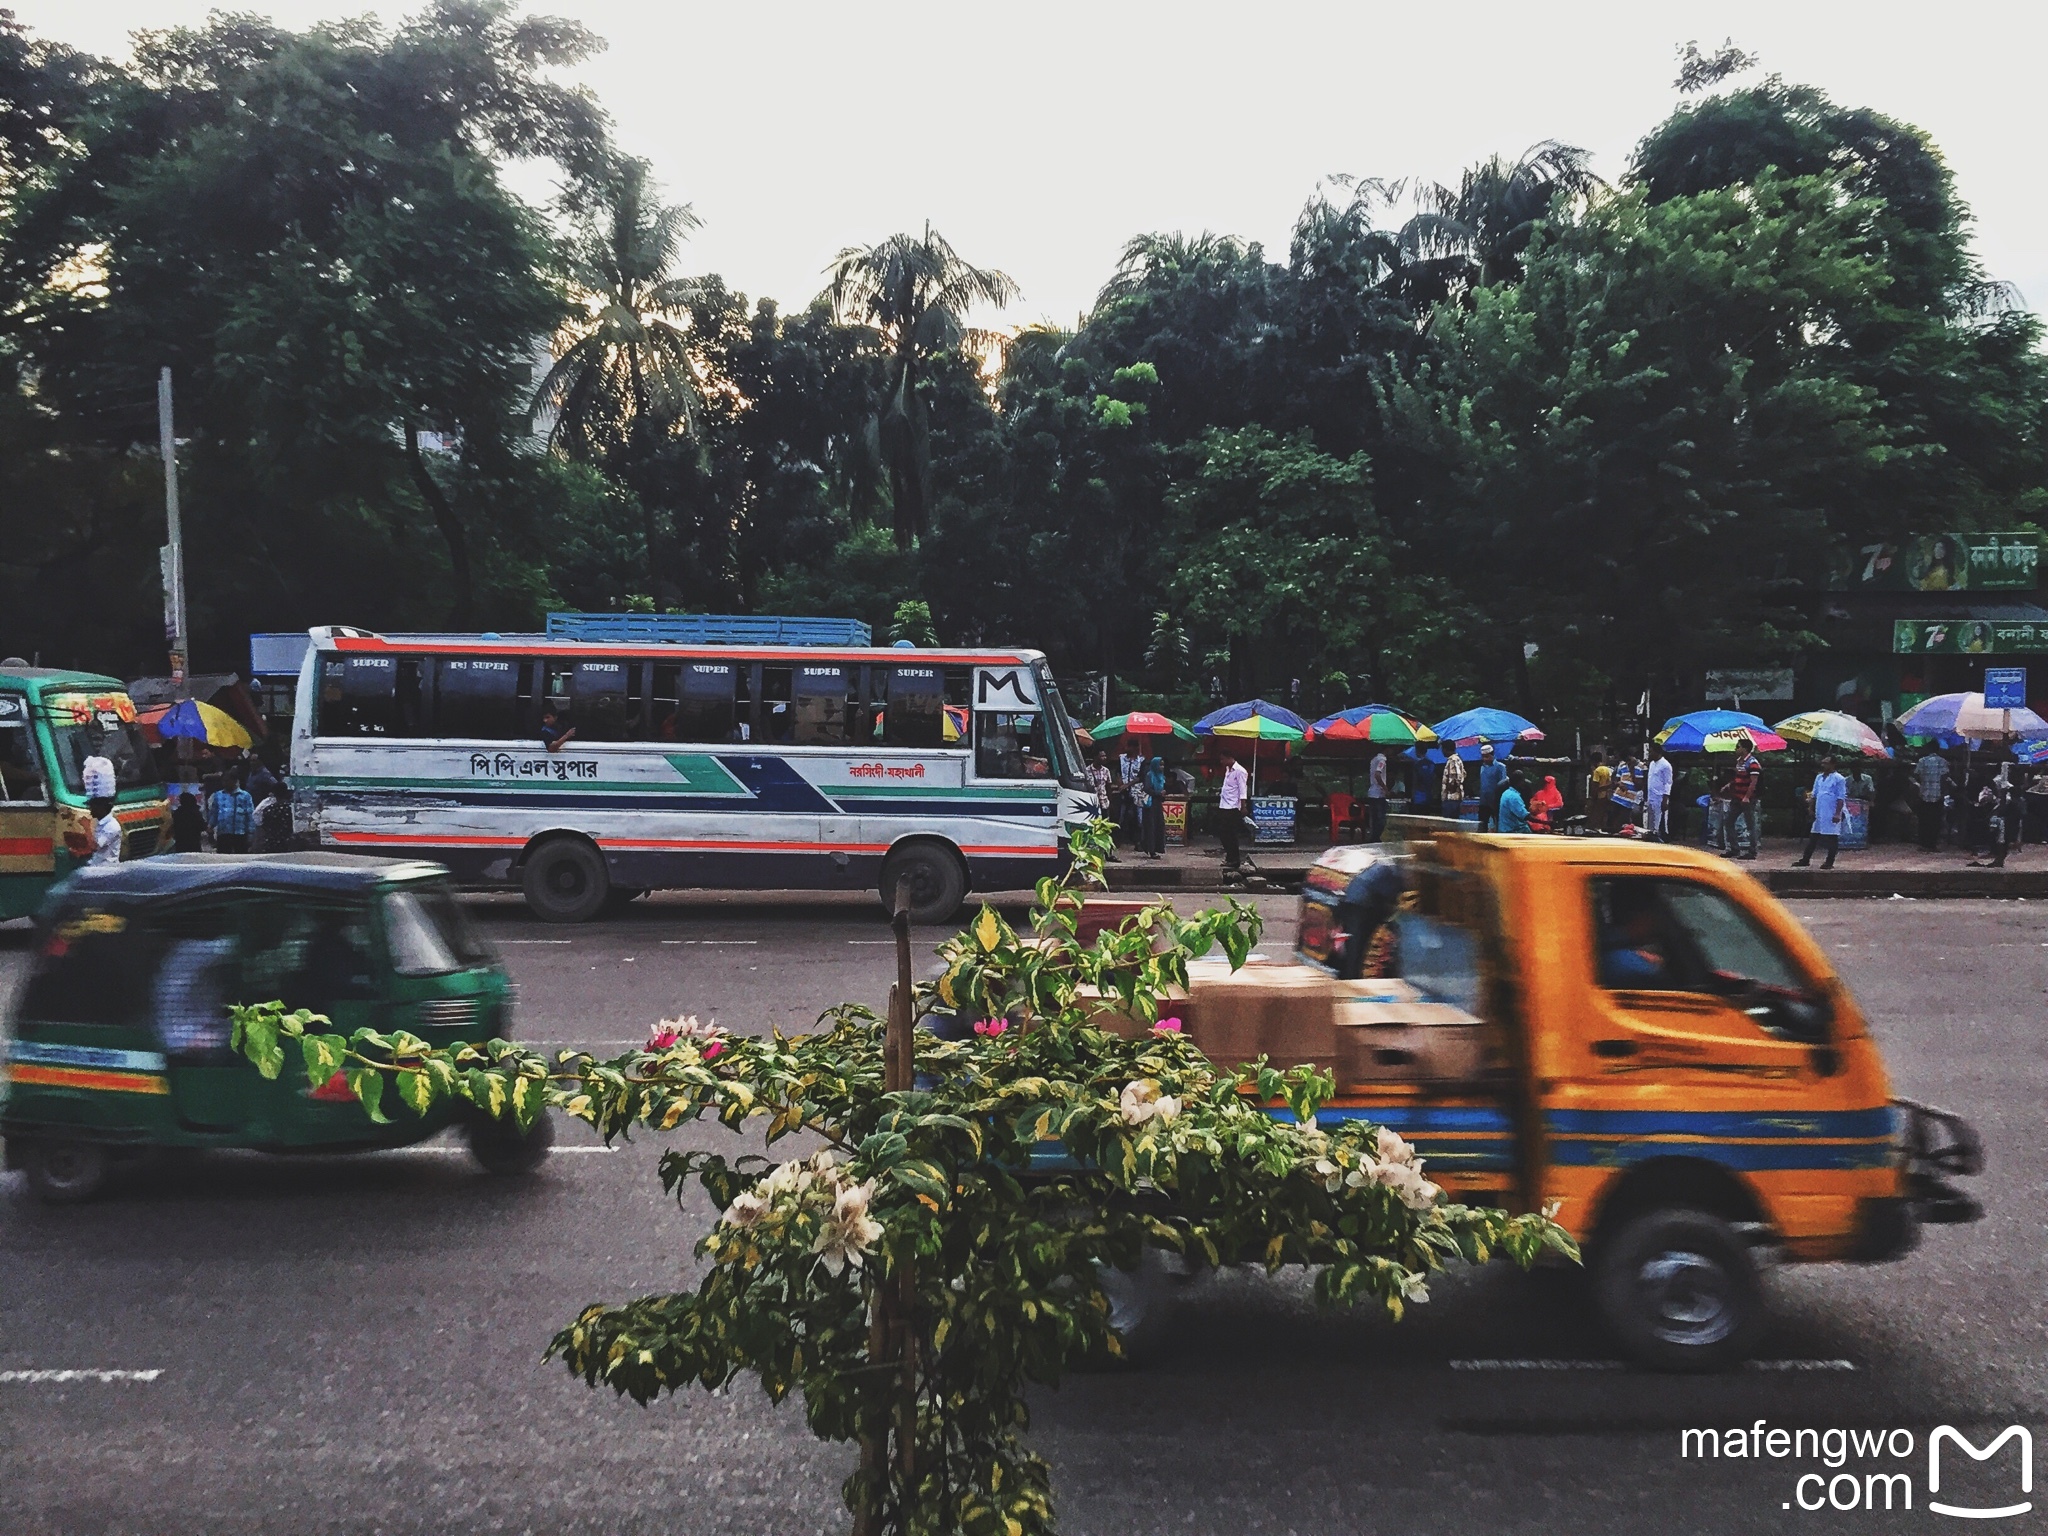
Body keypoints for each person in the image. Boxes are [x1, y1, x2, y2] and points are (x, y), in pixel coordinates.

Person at [1794, 755, 1848, 870]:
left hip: (1831, 810)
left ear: (1833, 764)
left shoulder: (1839, 779)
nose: (1823, 765)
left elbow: (1840, 797)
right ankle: (1805, 859)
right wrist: (1810, 808)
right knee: (1813, 836)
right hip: (1819, 811)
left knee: (1832, 837)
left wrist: (1837, 813)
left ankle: (1829, 861)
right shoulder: (1819, 777)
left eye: (1826, 763)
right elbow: (1814, 794)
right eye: (1823, 763)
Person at [1725, 744, 1763, 859]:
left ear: (1745, 748)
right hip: (1737, 796)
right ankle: (1734, 849)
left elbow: (1753, 782)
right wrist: (1730, 784)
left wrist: (1747, 797)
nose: (1736, 749)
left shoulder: (1752, 763)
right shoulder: (1739, 762)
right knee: (1729, 822)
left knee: (1750, 824)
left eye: (1738, 746)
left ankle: (1752, 851)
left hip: (1747, 799)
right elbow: (1739, 777)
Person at [1217, 751, 1249, 876]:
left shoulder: (1240, 771)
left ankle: (1234, 859)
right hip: (1224, 804)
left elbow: (1242, 789)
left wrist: (1243, 806)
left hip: (1233, 806)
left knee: (1230, 833)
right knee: (1223, 833)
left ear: (1230, 757)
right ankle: (1230, 857)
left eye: (1223, 759)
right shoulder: (1228, 770)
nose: (1222, 762)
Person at [206, 773, 255, 854]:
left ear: (235, 781)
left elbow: (250, 815)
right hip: (223, 832)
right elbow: (214, 813)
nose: (225, 783)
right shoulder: (218, 795)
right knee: (223, 858)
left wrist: (251, 833)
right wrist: (210, 826)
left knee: (241, 858)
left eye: (227, 781)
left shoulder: (245, 795)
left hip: (240, 832)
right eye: (223, 781)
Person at [1644, 744, 1673, 842]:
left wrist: (1665, 799)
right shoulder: (1652, 764)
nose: (1650, 754)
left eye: (1651, 752)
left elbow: (1668, 783)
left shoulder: (1665, 765)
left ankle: (1661, 837)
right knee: (1651, 819)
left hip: (1660, 797)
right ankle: (1652, 836)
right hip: (1651, 795)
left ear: (1657, 752)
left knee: (1659, 819)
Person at [1141, 756, 1168, 858]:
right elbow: (1147, 789)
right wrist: (1158, 793)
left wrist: (1162, 794)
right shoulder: (1150, 775)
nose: (1162, 767)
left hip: (1157, 804)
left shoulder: (1161, 777)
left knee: (1159, 825)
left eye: (1163, 765)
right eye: (1160, 765)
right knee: (1151, 827)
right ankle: (1151, 850)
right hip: (1151, 805)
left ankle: (1157, 848)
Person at [1476, 743, 1507, 832]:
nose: (1484, 759)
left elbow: (1503, 784)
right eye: (1483, 756)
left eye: (1486, 756)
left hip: (1495, 801)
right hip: (1483, 801)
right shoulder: (1482, 767)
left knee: (1498, 823)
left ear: (1492, 755)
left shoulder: (1500, 767)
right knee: (1482, 824)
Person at [86, 795, 121, 866]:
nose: (90, 810)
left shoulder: (111, 826)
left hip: (106, 868)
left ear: (101, 809)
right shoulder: (102, 823)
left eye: (92, 807)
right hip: (97, 864)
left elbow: (95, 847)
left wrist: (86, 827)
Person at [1365, 750, 1389, 842]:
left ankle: (1373, 837)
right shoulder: (1382, 760)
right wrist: (1385, 788)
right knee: (1381, 819)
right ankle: (1377, 838)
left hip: (1372, 793)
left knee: (1374, 819)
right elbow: (1377, 774)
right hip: (1378, 794)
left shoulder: (1373, 759)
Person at [1586, 750, 1612, 832]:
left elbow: (1595, 785)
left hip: (1599, 795)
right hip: (1607, 795)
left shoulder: (1597, 771)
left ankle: (1595, 828)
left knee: (1596, 813)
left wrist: (1592, 797)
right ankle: (1602, 828)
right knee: (1603, 813)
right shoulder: (1608, 769)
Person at [1440, 748, 1466, 818]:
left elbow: (1454, 779)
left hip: (1451, 798)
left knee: (1449, 824)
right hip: (1453, 798)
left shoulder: (1453, 760)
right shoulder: (1457, 759)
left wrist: (1450, 788)